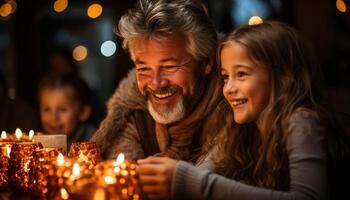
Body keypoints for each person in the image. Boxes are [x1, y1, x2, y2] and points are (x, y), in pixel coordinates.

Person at [137, 21, 350, 199]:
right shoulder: (235, 125)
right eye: (226, 76)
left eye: (242, 74)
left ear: (280, 77)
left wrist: (190, 181)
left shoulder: (302, 120)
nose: (228, 89)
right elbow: (201, 174)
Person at [91, 0, 230, 161]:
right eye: (144, 69)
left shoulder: (237, 112)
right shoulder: (133, 114)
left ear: (206, 63)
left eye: (170, 67)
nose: (155, 83)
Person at [38, 74, 95, 148]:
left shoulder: (94, 141)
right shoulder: (38, 142)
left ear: (83, 112)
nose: (54, 117)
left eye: (62, 109)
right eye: (47, 109)